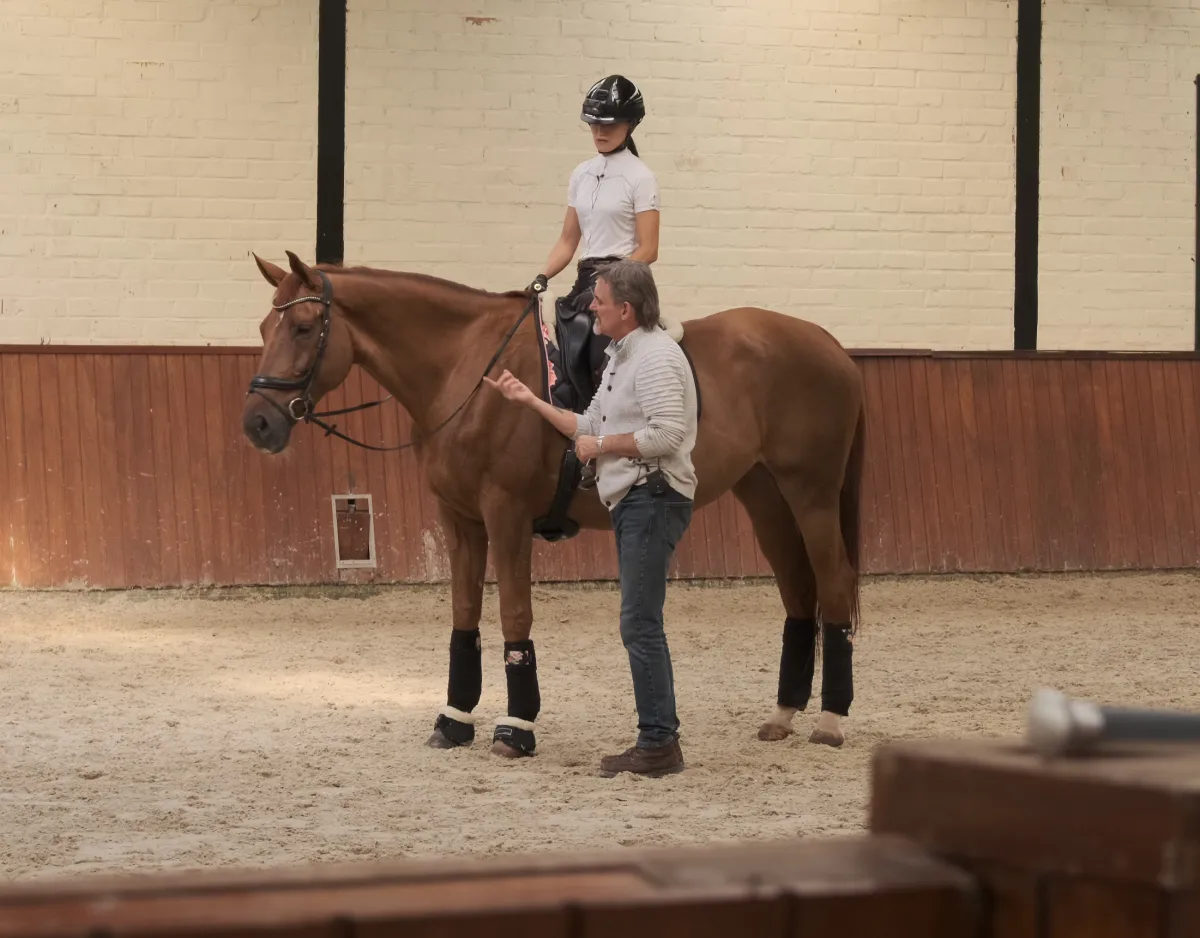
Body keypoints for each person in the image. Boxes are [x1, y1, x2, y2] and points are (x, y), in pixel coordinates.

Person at [486, 260, 698, 778]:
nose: (591, 307)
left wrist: (600, 447)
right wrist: (530, 400)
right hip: (633, 497)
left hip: (653, 494)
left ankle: (658, 743)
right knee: (639, 621)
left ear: (625, 308)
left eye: (599, 300)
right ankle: (657, 738)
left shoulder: (655, 359)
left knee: (640, 622)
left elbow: (667, 434)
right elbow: (587, 422)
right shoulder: (622, 357)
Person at [533, 75, 661, 414]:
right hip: (587, 278)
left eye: (610, 125)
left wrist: (610, 281)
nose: (600, 132)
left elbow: (649, 249)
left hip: (624, 279)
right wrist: (540, 276)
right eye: (594, 125)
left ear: (630, 124)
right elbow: (567, 240)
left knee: (596, 342)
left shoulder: (640, 176)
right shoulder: (581, 174)